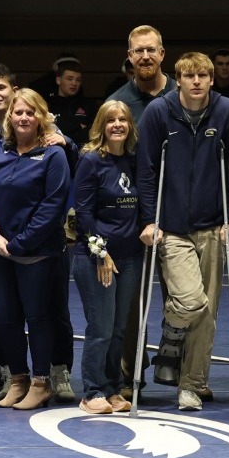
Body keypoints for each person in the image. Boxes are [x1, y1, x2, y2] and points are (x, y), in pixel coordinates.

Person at [136, 53, 229, 410]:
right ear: (179, 79)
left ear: (212, 80)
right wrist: (149, 220)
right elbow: (147, 169)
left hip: (213, 226)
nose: (197, 81)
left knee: (208, 312)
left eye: (203, 75)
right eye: (190, 76)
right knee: (191, 301)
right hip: (170, 228)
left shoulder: (228, 111)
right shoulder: (159, 111)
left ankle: (192, 384)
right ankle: (172, 332)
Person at [0, 89, 72, 411]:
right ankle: (18, 380)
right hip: (0, 251)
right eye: (18, 113)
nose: (24, 118)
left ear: (41, 116)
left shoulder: (53, 155)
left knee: (39, 317)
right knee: (5, 318)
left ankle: (41, 383)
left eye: (31, 112)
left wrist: (16, 244)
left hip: (38, 253)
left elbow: (53, 206)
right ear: (10, 118)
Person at [66, 100, 143, 415]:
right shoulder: (91, 161)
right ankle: (92, 391)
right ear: (101, 125)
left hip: (130, 258)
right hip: (97, 258)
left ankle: (112, 388)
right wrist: (101, 252)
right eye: (111, 120)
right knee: (101, 326)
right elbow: (83, 212)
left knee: (119, 329)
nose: (117, 125)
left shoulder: (134, 160)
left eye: (123, 119)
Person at [107, 24, 172, 124]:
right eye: (139, 51)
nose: (146, 56)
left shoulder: (182, 95)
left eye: (151, 50)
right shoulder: (116, 102)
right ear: (130, 56)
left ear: (162, 54)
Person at [46, 56, 99, 146]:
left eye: (78, 80)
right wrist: (78, 126)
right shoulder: (48, 105)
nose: (74, 83)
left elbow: (92, 134)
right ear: (59, 80)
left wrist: (64, 133)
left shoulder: (89, 105)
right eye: (69, 79)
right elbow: (48, 134)